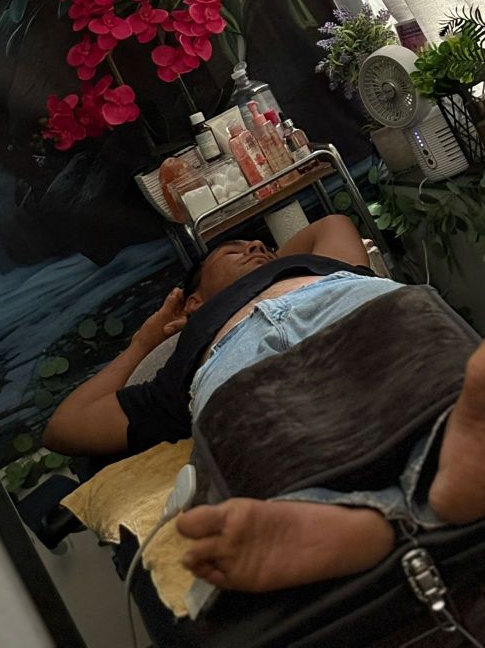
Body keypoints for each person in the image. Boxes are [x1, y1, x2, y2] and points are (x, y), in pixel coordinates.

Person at [43, 215, 485, 593]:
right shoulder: (177, 369)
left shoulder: (318, 266)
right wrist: (145, 341)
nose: (255, 246)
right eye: (232, 249)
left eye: (261, 245)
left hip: (342, 300)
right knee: (261, 438)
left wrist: (269, 265)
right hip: (235, 355)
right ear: (193, 302)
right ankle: (394, 498)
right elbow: (65, 427)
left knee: (423, 367)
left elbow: (331, 223)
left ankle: (370, 513)